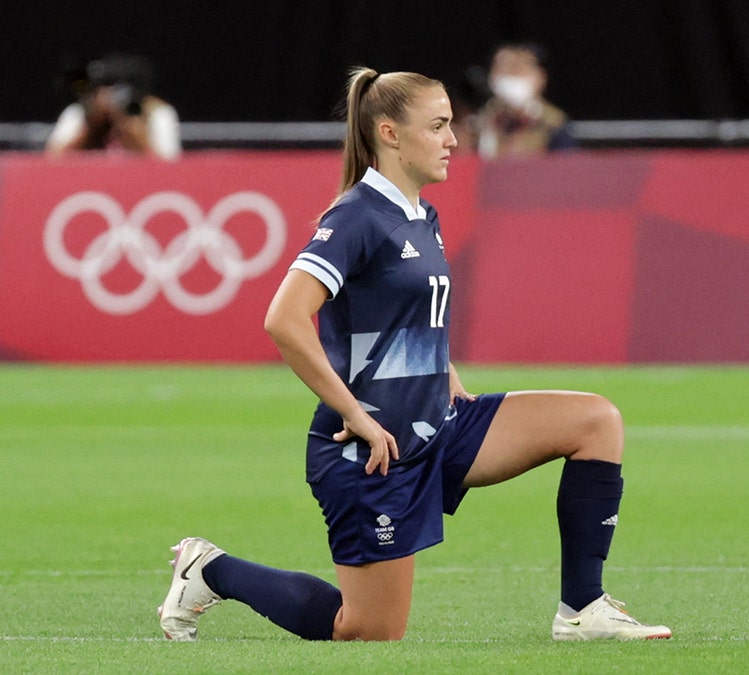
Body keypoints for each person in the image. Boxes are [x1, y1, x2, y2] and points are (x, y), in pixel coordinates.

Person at [157, 67, 670, 642]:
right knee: (368, 630)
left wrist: (444, 369)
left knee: (595, 420)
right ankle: (211, 569)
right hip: (374, 449)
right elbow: (283, 319)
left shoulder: (422, 214)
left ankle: (583, 609)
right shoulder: (355, 217)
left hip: (439, 423)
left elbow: (407, 310)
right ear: (390, 133)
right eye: (439, 126)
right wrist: (355, 414)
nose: (454, 139)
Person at [45, 54, 181, 161]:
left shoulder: (157, 112)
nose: (111, 96)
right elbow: (51, 160)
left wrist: (130, 127)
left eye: (118, 90)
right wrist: (91, 127)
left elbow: (169, 164)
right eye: (104, 88)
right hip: (90, 182)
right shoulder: (79, 112)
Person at [470, 42, 577, 159]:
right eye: (500, 68)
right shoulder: (480, 122)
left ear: (540, 77)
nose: (508, 76)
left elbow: (566, 169)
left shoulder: (554, 125)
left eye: (517, 69)